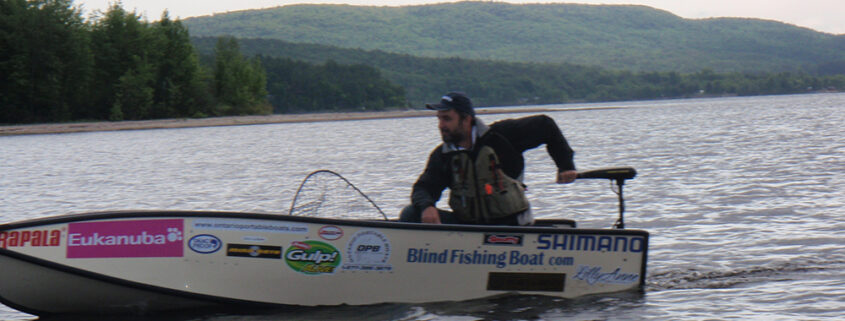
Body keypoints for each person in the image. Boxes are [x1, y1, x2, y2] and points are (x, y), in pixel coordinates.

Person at [399, 92, 577, 226]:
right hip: (470, 227)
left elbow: (545, 125)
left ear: (466, 119)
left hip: (512, 225)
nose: (441, 125)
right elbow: (423, 188)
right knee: (410, 214)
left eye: (447, 119)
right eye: (439, 119)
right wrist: (427, 206)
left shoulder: (501, 136)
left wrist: (565, 165)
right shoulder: (443, 155)